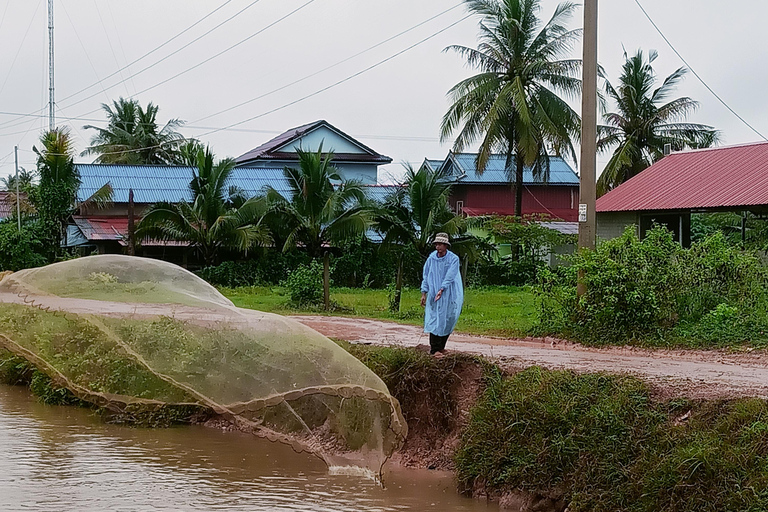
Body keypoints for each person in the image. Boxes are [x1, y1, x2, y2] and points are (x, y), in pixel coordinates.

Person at [420, 232, 464, 357]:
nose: (438, 247)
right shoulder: (432, 258)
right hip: (434, 293)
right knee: (435, 319)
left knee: (448, 318)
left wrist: (442, 289)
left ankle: (442, 346)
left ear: (446, 246)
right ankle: (434, 349)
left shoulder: (453, 259)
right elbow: (426, 274)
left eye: (440, 244)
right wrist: (424, 292)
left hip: (449, 293)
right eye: (436, 244)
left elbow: (450, 275)